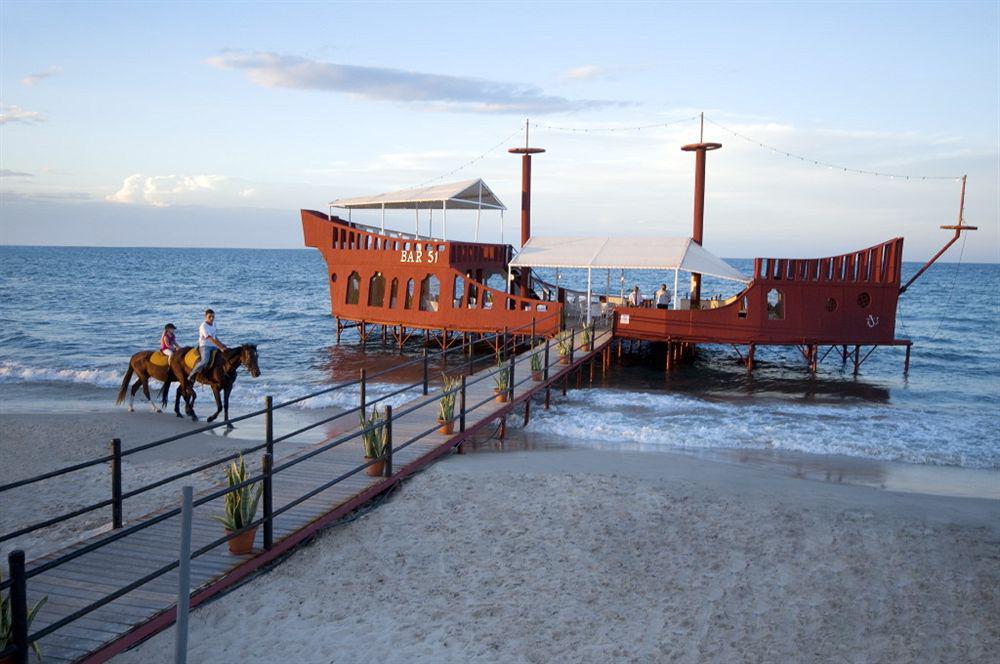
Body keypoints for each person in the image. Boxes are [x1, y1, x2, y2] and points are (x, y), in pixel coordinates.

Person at [189, 309, 227, 379]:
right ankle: (192, 375)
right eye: (209, 317)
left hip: (213, 345)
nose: (211, 318)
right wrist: (220, 347)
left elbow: (215, 337)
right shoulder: (203, 326)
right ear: (205, 317)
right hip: (205, 346)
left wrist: (222, 344)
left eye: (213, 316)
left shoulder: (214, 324)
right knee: (205, 360)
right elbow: (210, 339)